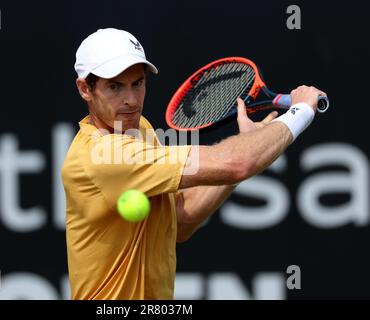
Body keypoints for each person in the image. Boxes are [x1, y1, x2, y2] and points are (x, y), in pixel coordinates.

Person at [61, 28, 326, 299]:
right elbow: (239, 162)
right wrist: (301, 111)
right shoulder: (101, 155)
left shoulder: (138, 128)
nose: (131, 100)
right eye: (115, 86)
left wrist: (241, 154)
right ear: (85, 89)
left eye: (137, 84)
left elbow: (180, 220)